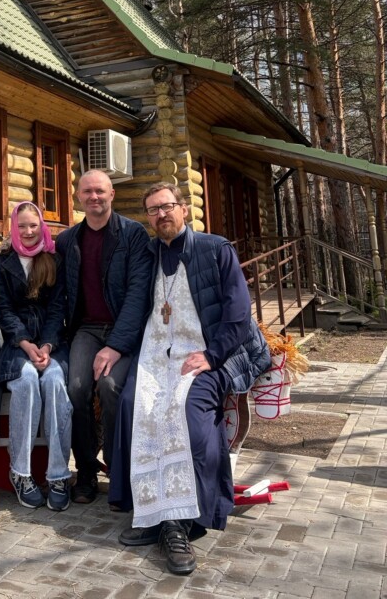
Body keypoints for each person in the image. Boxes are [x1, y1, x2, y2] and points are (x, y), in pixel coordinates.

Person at [110, 182, 270, 576]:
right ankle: (149, 511)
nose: (160, 214)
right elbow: (133, 302)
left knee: (188, 415)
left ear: (183, 208)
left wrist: (212, 357)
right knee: (134, 406)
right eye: (153, 210)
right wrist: (114, 346)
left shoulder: (216, 249)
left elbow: (238, 313)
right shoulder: (148, 255)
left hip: (207, 354)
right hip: (156, 354)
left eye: (166, 206)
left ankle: (184, 520)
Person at [56, 169, 152, 504]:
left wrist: (115, 346)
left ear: (112, 194)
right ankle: (85, 471)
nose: (94, 197)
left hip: (123, 330)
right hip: (86, 329)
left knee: (111, 388)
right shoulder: (68, 240)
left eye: (100, 191)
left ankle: (118, 470)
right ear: (78, 197)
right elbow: (52, 281)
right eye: (87, 192)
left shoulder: (133, 234)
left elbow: (138, 294)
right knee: (76, 388)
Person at [0, 201, 72, 511]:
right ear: (13, 227)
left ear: (42, 226)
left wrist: (47, 345)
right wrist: (25, 343)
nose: (27, 231)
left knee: (54, 382)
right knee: (25, 382)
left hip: (52, 342)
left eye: (33, 225)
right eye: (21, 225)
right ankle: (21, 472)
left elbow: (58, 308)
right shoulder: (1, 263)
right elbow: (4, 310)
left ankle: (58, 474)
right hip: (17, 343)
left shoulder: (53, 260)